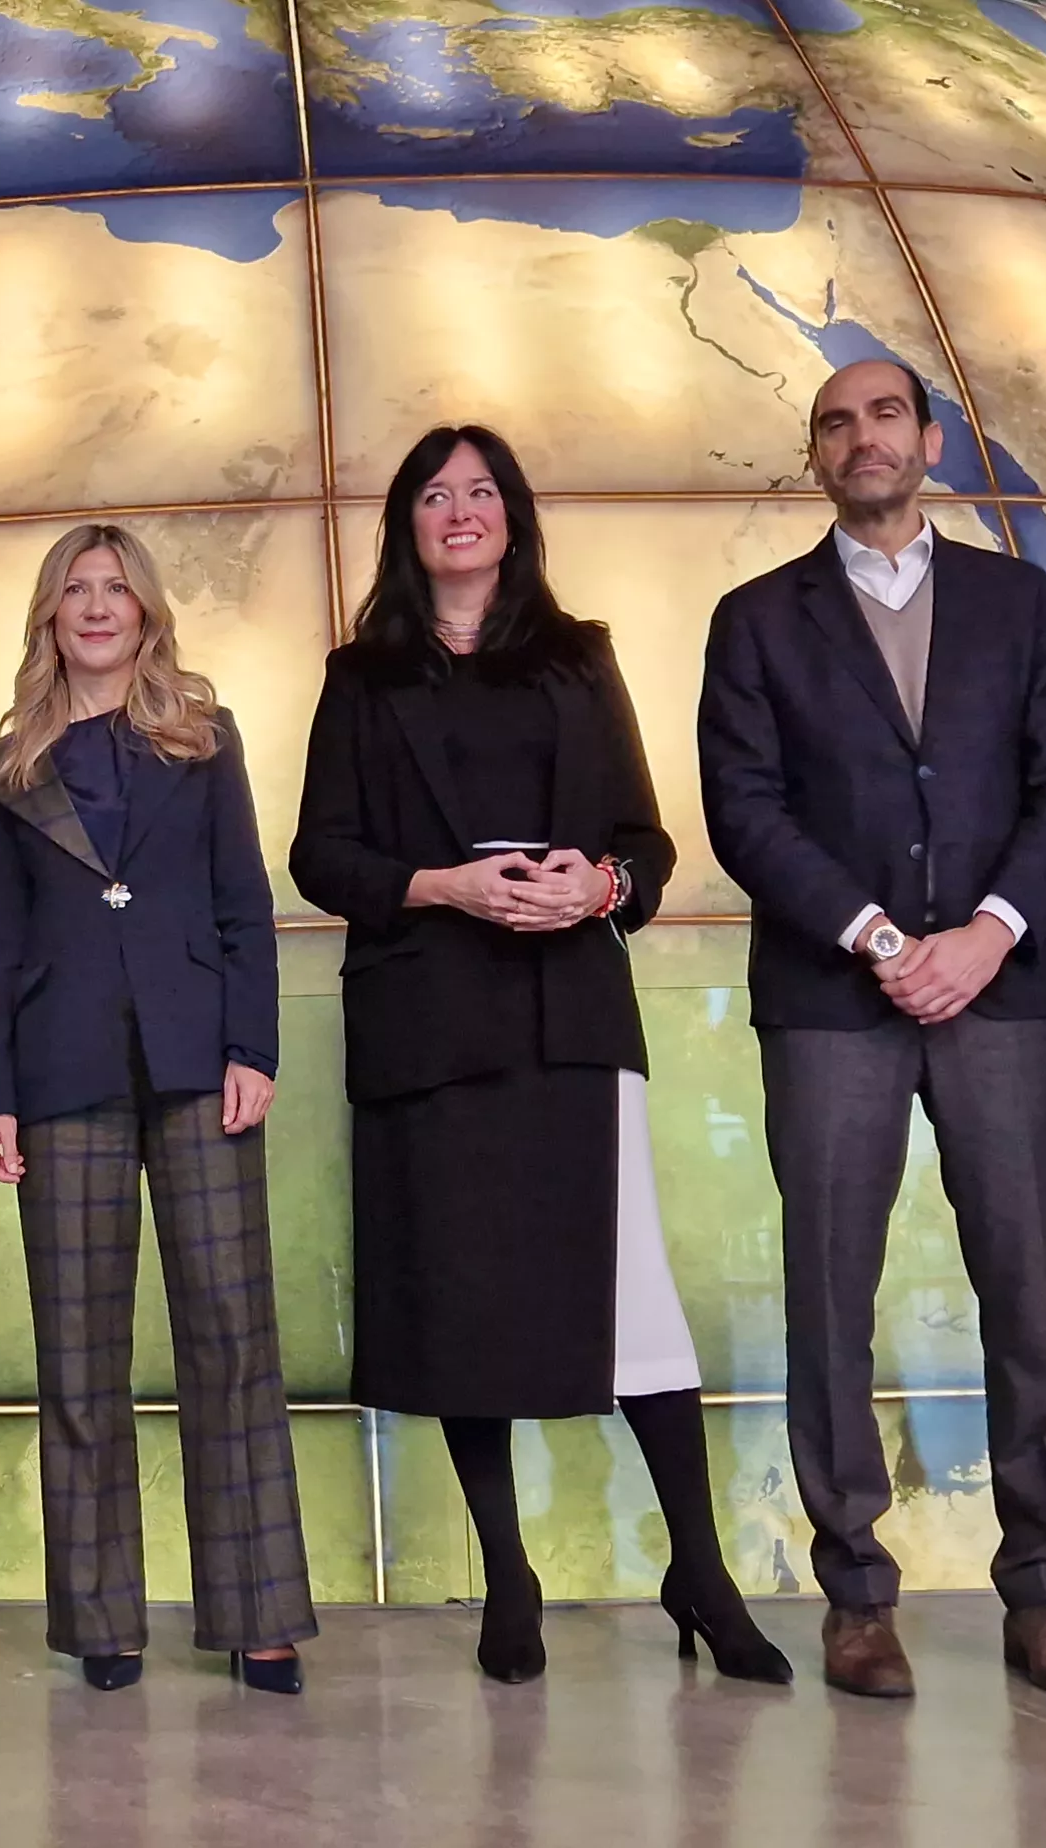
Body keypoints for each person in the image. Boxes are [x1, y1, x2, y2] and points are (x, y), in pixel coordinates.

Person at [291, 425, 782, 1687]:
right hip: (429, 1020)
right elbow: (322, 856)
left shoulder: (580, 659)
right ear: (406, 524)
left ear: (513, 516)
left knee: (629, 1302)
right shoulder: (361, 676)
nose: (460, 511)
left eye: (482, 492)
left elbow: (647, 842)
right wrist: (444, 885)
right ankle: (507, 1574)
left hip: (567, 1010)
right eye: (435, 495)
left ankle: (700, 1571)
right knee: (464, 1306)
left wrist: (599, 881)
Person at [696, 358, 1046, 1700]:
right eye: (835, 421)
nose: (861, 437)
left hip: (1001, 990)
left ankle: (1043, 1593)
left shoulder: (1021, 601)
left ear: (929, 439)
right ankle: (855, 1598)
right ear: (815, 455)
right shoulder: (756, 620)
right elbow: (746, 813)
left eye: (884, 414)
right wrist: (880, 938)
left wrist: (988, 933)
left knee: (1025, 1294)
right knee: (830, 1298)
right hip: (833, 1000)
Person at [0, 526, 311, 1696]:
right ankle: (103, 1622)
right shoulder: (8, 766)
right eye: (78, 588)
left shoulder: (204, 744)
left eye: (117, 588)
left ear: (148, 610)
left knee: (231, 1337)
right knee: (78, 1356)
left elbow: (242, 904)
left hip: (197, 1066)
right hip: (61, 1078)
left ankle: (259, 1615)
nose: (98, 606)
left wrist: (251, 1047)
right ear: (50, 614)